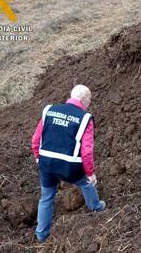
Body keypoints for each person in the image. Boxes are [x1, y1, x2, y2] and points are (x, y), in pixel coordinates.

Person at [31, 84, 106, 243]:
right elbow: (86, 151)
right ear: (84, 99)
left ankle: (41, 235)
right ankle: (96, 208)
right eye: (89, 100)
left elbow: (36, 139)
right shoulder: (85, 118)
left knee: (46, 198)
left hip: (47, 165)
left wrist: (39, 158)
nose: (89, 104)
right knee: (87, 183)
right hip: (69, 167)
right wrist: (90, 173)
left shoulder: (49, 110)